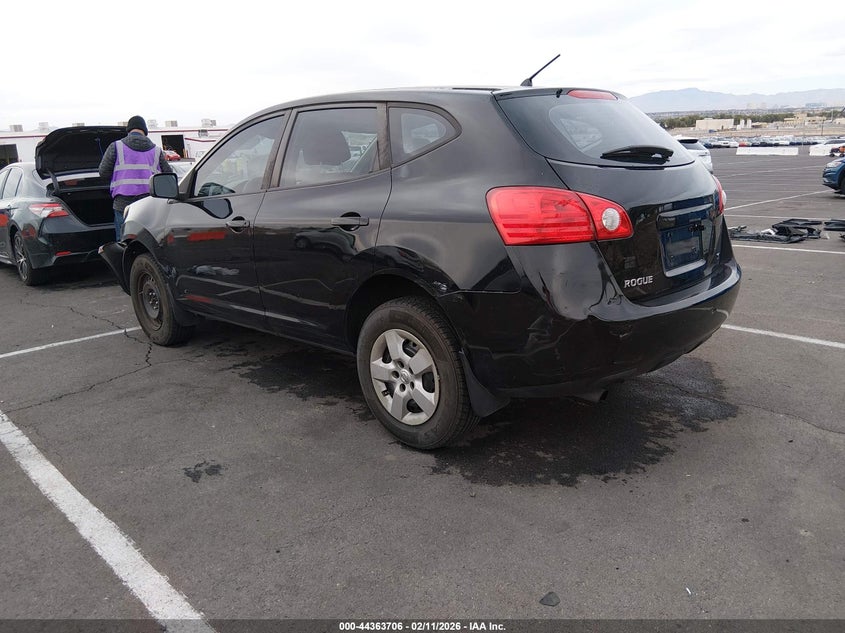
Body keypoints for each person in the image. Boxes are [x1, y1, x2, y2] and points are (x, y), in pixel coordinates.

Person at [99, 115, 173, 240]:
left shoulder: (116, 147)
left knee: (123, 243)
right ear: (145, 131)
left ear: (129, 130)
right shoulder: (157, 150)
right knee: (148, 242)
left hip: (123, 205)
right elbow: (168, 176)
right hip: (149, 205)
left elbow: (103, 172)